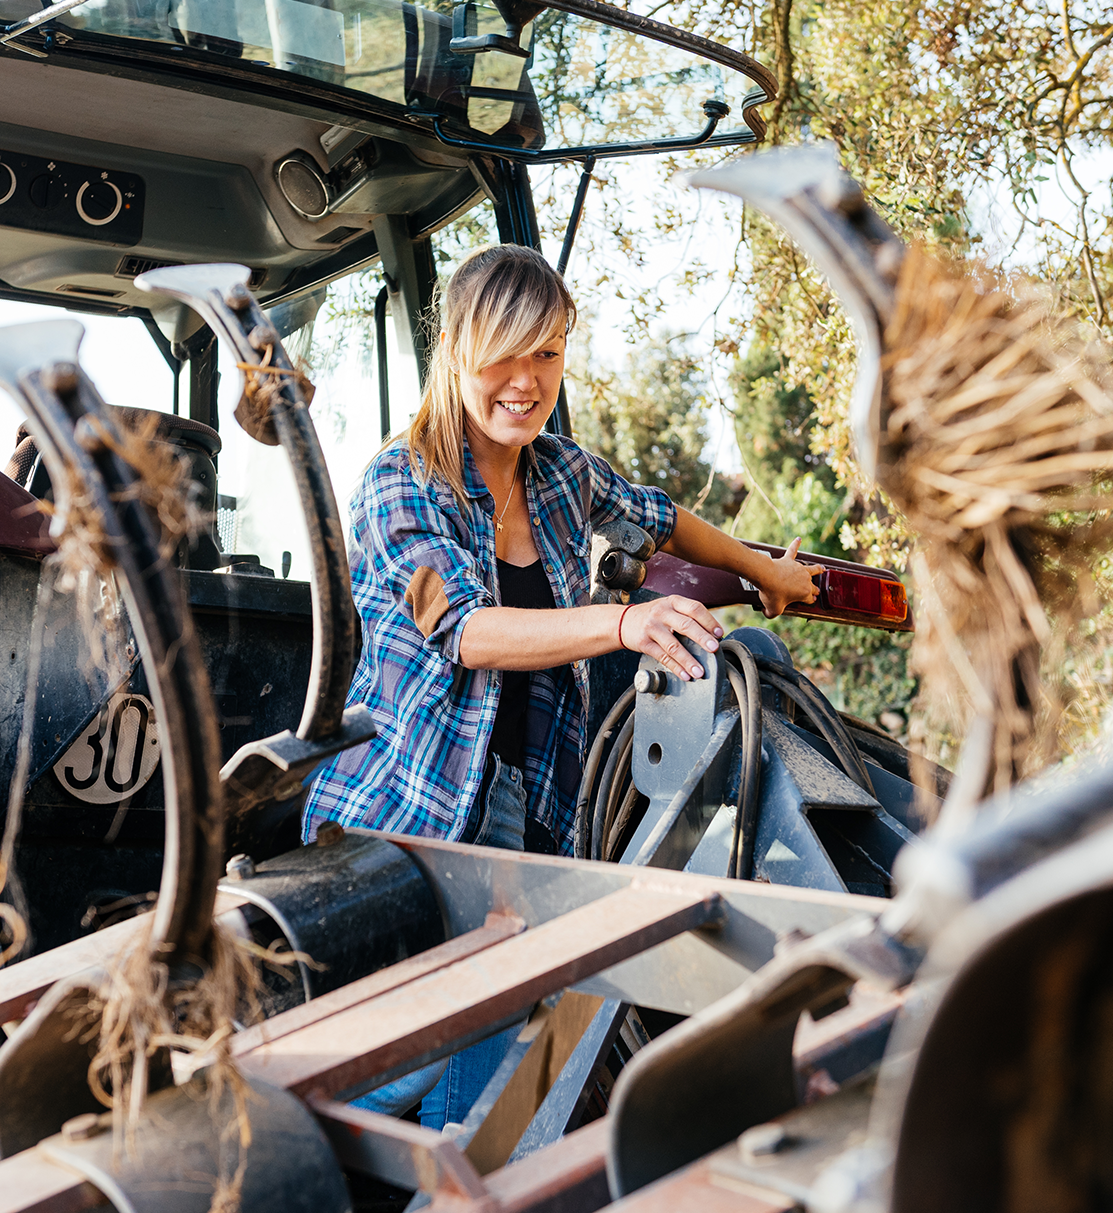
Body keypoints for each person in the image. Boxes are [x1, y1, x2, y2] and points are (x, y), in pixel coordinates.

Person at [302, 243, 823, 1130]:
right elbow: (461, 629)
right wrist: (623, 624)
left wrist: (759, 569)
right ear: (458, 348)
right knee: (398, 1065)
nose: (526, 379)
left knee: (500, 1079)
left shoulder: (561, 475)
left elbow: (661, 517)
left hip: (530, 814)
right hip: (408, 824)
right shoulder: (400, 484)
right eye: (505, 350)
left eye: (546, 352)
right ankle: (261, 1135)